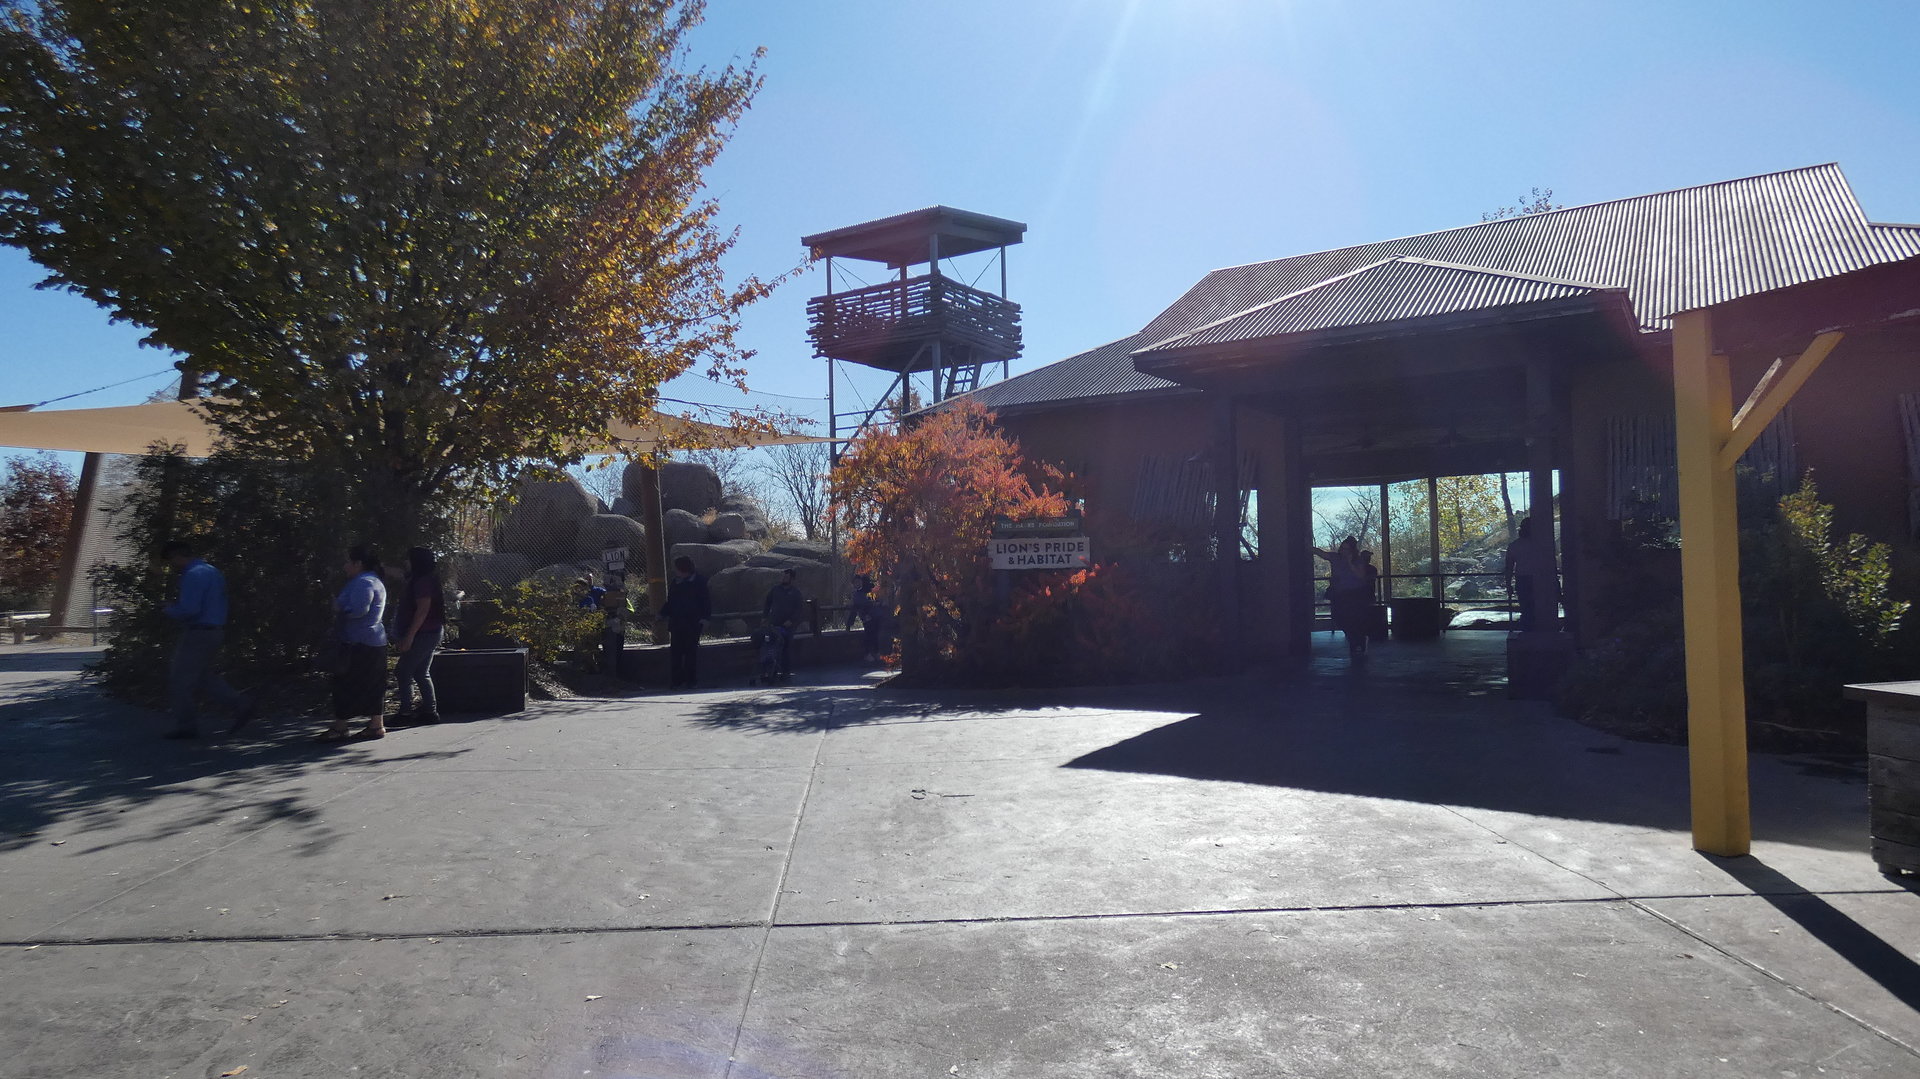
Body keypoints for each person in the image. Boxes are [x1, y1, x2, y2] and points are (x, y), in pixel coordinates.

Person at [158, 539, 254, 739]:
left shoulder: (192, 575)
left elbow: (190, 609)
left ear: (177, 556)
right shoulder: (211, 571)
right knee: (203, 675)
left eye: (171, 560)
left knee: (180, 680)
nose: (172, 565)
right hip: (215, 629)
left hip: (198, 631)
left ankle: (187, 725)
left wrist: (169, 609)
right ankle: (240, 703)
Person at [319, 546, 389, 742]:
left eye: (348, 562)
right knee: (373, 683)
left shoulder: (364, 582)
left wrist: (339, 608)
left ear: (358, 564)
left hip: (359, 643)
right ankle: (376, 724)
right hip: (372, 641)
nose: (344, 566)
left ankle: (341, 726)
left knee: (343, 683)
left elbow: (360, 610)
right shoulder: (372, 580)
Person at [391, 546, 445, 726]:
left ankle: (406, 712)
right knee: (421, 672)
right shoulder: (417, 579)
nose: (406, 563)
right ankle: (430, 711)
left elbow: (422, 610)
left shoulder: (423, 582)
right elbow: (398, 573)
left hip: (424, 632)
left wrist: (409, 636)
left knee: (403, 670)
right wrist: (378, 566)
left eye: (408, 559)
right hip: (430, 631)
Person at [658, 555, 710, 689]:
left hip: (693, 623)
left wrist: (705, 618)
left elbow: (706, 602)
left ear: (683, 568)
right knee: (675, 653)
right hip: (677, 623)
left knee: (690, 653)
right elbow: (670, 602)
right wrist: (662, 613)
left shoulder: (699, 582)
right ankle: (676, 681)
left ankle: (691, 681)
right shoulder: (676, 582)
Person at [1312, 536, 1368, 658]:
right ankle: (1354, 639)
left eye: (1346, 549)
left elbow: (1361, 576)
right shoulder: (1335, 558)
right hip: (1340, 594)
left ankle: (1357, 641)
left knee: (1354, 619)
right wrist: (1310, 548)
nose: (1343, 551)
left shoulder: (1357, 561)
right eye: (1342, 548)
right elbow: (1322, 554)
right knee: (1339, 617)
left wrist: (1350, 563)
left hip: (1355, 594)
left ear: (1352, 551)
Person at [1504, 516, 1558, 633]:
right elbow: (1551, 564)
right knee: (1542, 608)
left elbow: (1509, 568)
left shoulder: (1514, 546)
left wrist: (1508, 584)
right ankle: (1544, 634)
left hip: (1523, 580)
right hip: (1541, 579)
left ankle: (1528, 634)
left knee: (1527, 609)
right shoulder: (1543, 545)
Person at [762, 567, 805, 679]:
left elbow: (799, 609)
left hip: (788, 626)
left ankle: (785, 671)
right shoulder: (775, 590)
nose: (784, 578)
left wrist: (791, 621)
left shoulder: (796, 593)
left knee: (785, 646)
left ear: (792, 579)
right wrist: (765, 616)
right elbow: (767, 602)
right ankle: (768, 669)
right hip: (774, 624)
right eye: (783, 576)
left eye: (787, 576)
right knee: (769, 645)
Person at [848, 574, 881, 663]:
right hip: (866, 617)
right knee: (868, 635)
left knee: (875, 634)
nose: (858, 583)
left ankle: (876, 652)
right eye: (856, 582)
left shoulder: (866, 591)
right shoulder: (856, 594)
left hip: (873, 615)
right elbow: (858, 607)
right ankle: (868, 653)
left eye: (859, 581)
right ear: (853, 584)